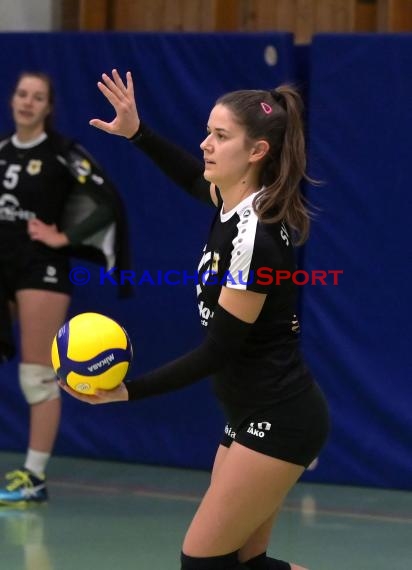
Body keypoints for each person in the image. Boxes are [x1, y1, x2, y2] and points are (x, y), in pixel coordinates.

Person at [60, 69, 330, 570]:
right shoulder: (234, 204)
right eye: (208, 131)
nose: (205, 144)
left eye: (221, 136)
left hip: (281, 416)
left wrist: (128, 392)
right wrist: (137, 131)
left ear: (257, 153)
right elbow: (190, 175)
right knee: (242, 563)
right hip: (249, 412)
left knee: (202, 562)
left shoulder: (257, 236)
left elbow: (218, 351)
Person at [0, 71, 131, 507]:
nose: (27, 102)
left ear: (48, 107)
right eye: (22, 94)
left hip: (41, 267)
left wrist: (65, 238)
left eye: (38, 97)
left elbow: (108, 199)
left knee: (37, 376)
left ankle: (33, 477)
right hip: (2, 263)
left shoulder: (62, 152)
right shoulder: (1, 150)